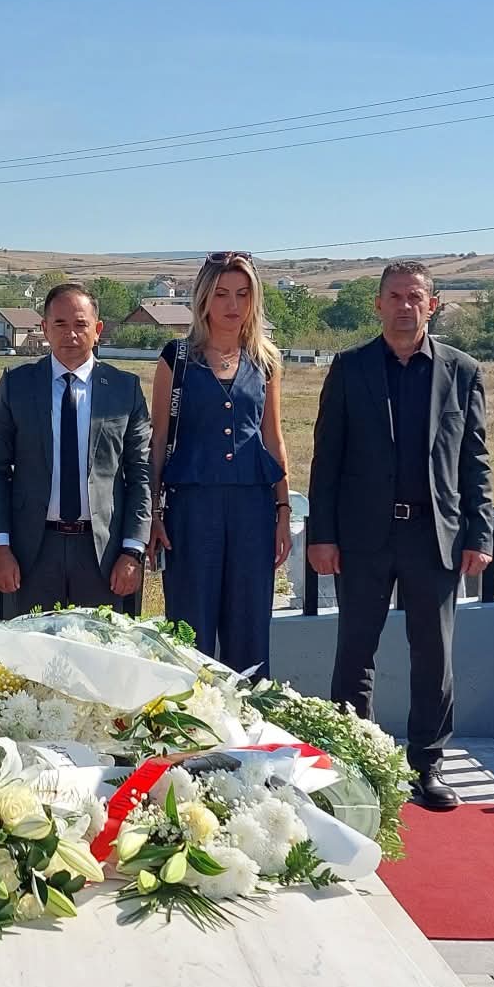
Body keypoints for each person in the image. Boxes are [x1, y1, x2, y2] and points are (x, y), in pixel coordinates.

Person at [306, 260, 493, 812]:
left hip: (435, 537)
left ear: (432, 305)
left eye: (415, 297)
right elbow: (327, 458)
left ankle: (427, 764)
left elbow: (475, 460)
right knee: (355, 652)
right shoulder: (350, 368)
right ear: (378, 305)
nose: (405, 306)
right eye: (395, 296)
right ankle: (352, 763)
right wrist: (322, 534)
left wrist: (479, 533)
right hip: (363, 536)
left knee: (433, 656)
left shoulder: (462, 371)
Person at [147, 252, 291, 676]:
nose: (233, 305)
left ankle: (249, 715)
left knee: (250, 628)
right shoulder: (176, 358)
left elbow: (273, 437)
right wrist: (153, 511)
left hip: (253, 510)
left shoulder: (266, 361)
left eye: (243, 294)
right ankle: (193, 714)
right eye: (222, 294)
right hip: (192, 510)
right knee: (189, 629)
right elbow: (159, 440)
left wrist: (283, 511)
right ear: (204, 298)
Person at [0, 283, 151, 616]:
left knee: (101, 646)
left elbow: (140, 473)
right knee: (30, 647)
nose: (70, 334)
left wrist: (133, 551)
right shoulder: (16, 386)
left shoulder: (124, 389)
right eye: (60, 324)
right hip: (31, 553)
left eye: (80, 324)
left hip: (103, 554)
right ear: (44, 328)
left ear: (97, 330)